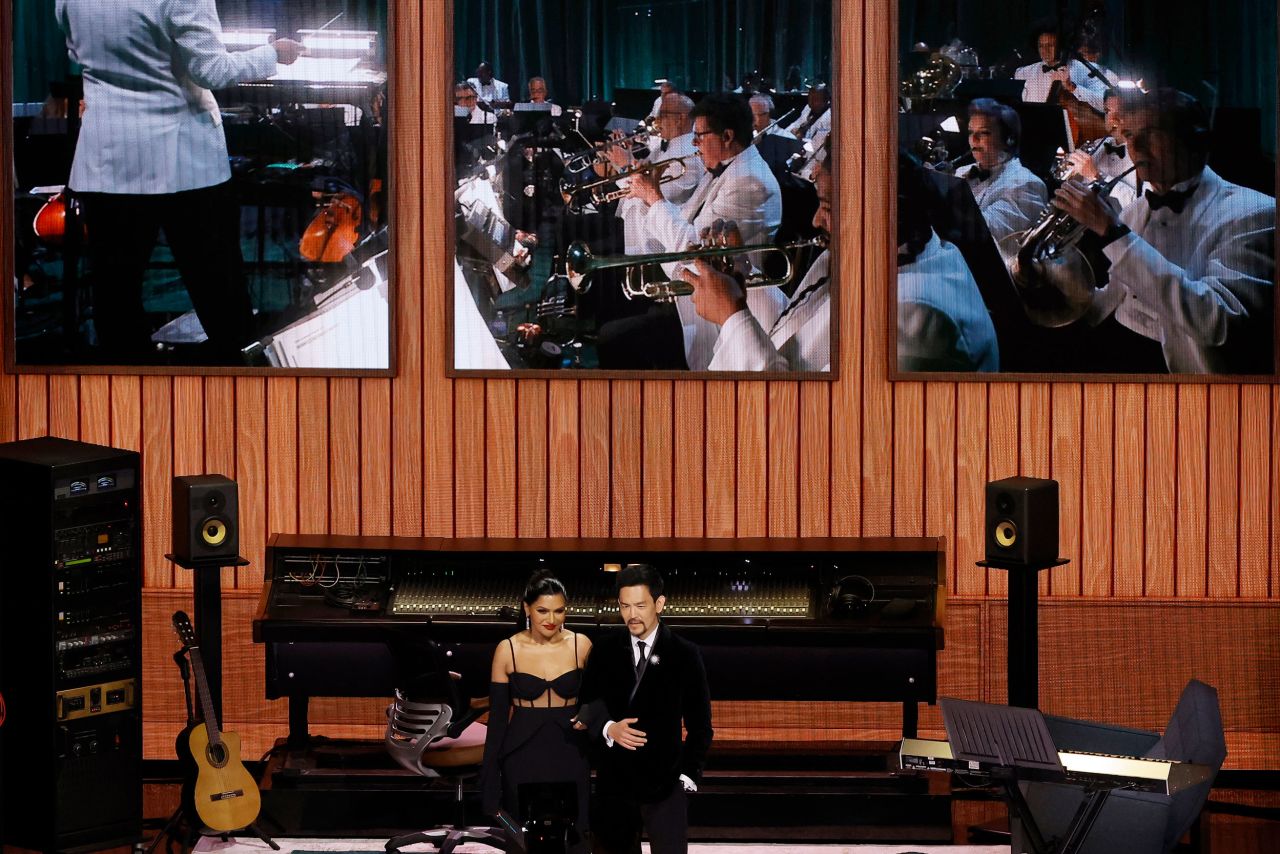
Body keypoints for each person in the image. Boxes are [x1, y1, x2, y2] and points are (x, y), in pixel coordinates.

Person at [54, 0, 304, 363]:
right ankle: (237, 394)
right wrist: (273, 54)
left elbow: (76, 49)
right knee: (219, 292)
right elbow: (212, 71)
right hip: (183, 165)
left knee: (116, 294)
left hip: (108, 160)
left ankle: (126, 400)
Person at [1050, 88, 1275, 373]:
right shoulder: (1137, 209)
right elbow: (1117, 294)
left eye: (1152, 132)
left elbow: (1218, 322)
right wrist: (1060, 279)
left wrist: (1114, 235)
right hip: (1115, 346)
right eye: (1130, 135)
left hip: (1177, 369)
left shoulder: (1257, 212)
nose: (1137, 146)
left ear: (1195, 139)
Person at [625, 93, 788, 370]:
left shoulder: (750, 181)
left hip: (721, 319)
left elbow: (692, 252)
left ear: (726, 136)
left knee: (617, 339)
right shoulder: (726, 170)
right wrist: (648, 197)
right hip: (690, 293)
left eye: (700, 135)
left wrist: (654, 197)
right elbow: (684, 221)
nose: (694, 143)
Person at [578, 564, 713, 854]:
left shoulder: (684, 654)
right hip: (614, 783)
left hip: (666, 784)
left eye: (640, 605)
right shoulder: (604, 650)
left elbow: (701, 725)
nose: (632, 614)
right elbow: (585, 706)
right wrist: (608, 728)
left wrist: (687, 776)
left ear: (659, 603)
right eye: (625, 606)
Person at [676, 144, 834, 371]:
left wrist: (732, 315)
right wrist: (743, 274)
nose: (816, 221)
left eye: (827, 207)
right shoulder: (833, 257)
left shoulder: (750, 181)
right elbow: (790, 331)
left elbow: (789, 399)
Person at [481, 570, 593, 852]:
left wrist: (589, 716)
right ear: (526, 608)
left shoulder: (582, 645)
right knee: (523, 838)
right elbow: (496, 721)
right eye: (543, 610)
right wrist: (489, 777)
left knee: (575, 837)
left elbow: (600, 701)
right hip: (521, 752)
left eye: (559, 611)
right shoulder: (507, 650)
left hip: (571, 750)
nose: (551, 620)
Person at [956, 98, 1048, 245]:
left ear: (1009, 139)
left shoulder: (1029, 185)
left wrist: (938, 191)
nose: (974, 139)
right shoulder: (962, 172)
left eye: (984, 133)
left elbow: (982, 231)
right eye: (971, 132)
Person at [1062, 87, 1139, 211]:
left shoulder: (1145, 154)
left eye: (1121, 112)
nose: (1112, 119)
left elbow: (1140, 207)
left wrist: (1097, 176)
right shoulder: (1098, 144)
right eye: (1108, 111)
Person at [1013, 21, 1103, 112]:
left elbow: (1104, 104)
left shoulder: (1085, 69)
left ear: (1061, 46)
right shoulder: (1023, 73)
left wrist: (1072, 87)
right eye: (1041, 46)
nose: (1045, 50)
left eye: (1050, 45)